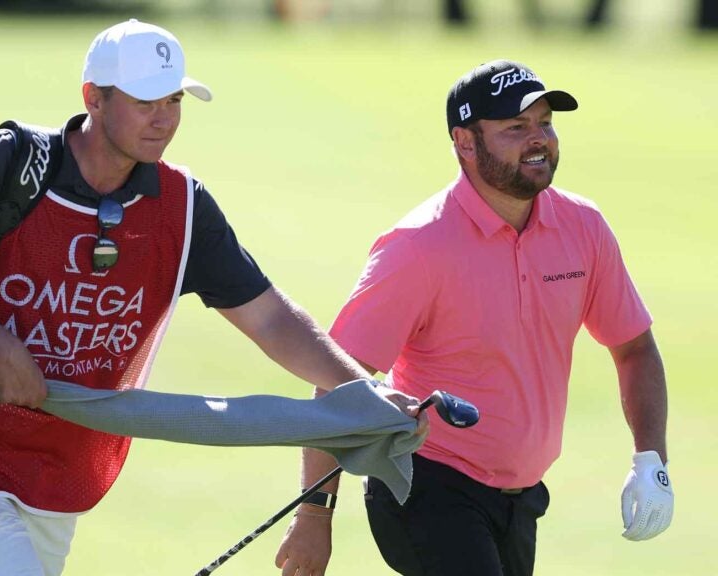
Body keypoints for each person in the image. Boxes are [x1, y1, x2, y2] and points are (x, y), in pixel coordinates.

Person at [0, 19, 426, 576]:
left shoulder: (182, 206)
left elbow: (268, 318)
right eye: (145, 100)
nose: (163, 116)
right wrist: (2, 350)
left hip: (61, 479)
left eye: (173, 99)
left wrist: (364, 393)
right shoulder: (15, 162)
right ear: (93, 98)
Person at [275, 59, 673, 576]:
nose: (539, 140)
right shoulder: (418, 248)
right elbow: (335, 384)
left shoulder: (584, 228)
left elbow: (634, 347)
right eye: (515, 127)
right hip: (426, 484)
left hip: (520, 498)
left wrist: (652, 460)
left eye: (545, 123)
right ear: (465, 142)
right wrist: (314, 514)